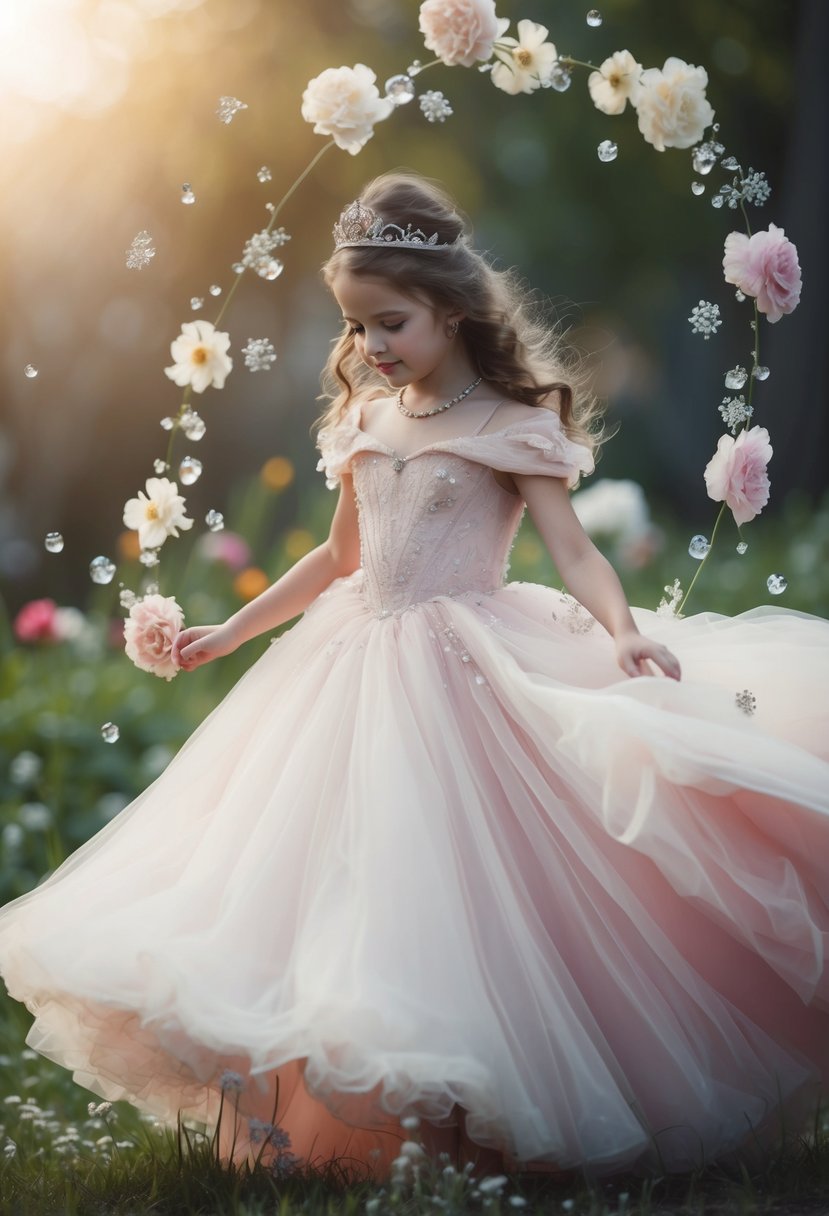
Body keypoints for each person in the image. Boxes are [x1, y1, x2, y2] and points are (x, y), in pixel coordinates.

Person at [1, 171, 827, 1185]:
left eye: (389, 322)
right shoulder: (367, 421)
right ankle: (324, 1127)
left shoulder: (510, 427)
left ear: (452, 308)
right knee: (324, 882)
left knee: (457, 892)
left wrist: (619, 631)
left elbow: (573, 552)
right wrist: (234, 625)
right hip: (350, 664)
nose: (372, 346)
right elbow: (340, 558)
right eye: (357, 326)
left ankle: (471, 1120)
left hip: (463, 674)